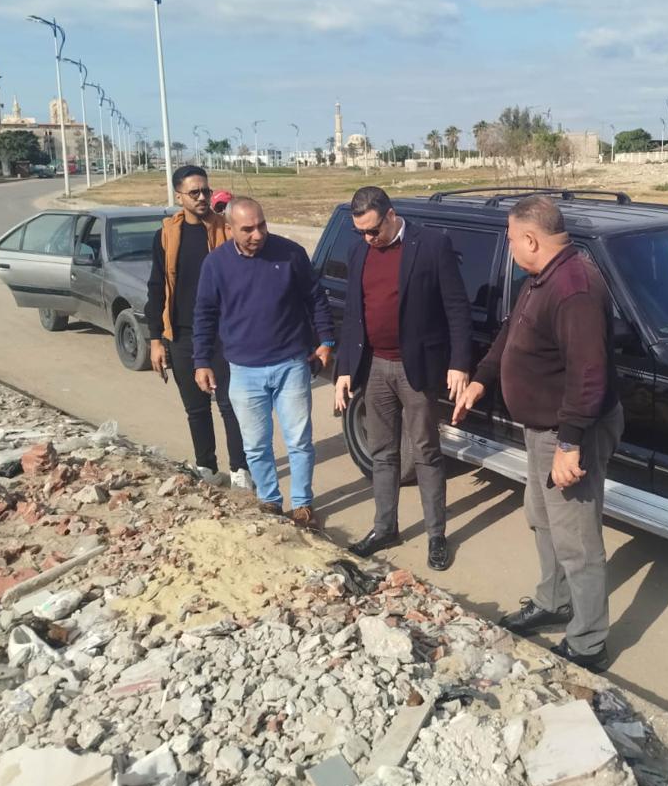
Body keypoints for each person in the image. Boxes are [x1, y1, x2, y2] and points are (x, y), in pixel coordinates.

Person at [452, 195, 623, 671]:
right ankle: (554, 600)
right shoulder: (542, 278)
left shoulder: (574, 288)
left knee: (577, 540)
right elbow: (511, 334)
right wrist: (482, 379)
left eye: (510, 240)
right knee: (541, 516)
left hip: (568, 432)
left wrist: (570, 443)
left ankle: (588, 643)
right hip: (541, 428)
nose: (509, 248)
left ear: (531, 239)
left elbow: (589, 374)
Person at [334, 187, 472, 571]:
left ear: (391, 215)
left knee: (426, 452)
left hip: (418, 368)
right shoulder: (359, 252)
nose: (368, 238)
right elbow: (353, 315)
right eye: (360, 232)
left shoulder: (431, 245)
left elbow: (456, 308)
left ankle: (436, 534)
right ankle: (385, 528)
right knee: (382, 451)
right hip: (375, 366)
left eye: (373, 230)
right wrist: (344, 369)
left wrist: (460, 362)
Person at [192, 197, 335, 526]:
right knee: (255, 445)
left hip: (291, 364)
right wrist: (201, 360)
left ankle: (302, 504)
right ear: (229, 229)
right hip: (243, 371)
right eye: (248, 229)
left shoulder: (290, 254)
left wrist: (326, 340)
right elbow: (204, 315)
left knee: (299, 441)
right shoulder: (216, 265)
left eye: (262, 225)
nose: (257, 234)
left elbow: (315, 298)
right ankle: (270, 500)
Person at [144, 165, 250, 488]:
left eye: (206, 190)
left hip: (223, 334)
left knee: (230, 405)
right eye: (194, 193)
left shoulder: (226, 231)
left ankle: (240, 471)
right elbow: (156, 287)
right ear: (179, 197)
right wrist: (156, 339)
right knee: (196, 408)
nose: (202, 197)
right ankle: (207, 467)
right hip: (181, 333)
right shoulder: (166, 235)